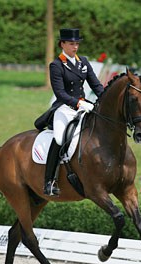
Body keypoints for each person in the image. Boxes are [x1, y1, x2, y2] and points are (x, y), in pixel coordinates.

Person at [44, 28, 104, 196]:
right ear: (62, 44)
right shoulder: (56, 65)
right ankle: (49, 181)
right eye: (71, 44)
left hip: (84, 106)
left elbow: (96, 85)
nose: (75, 47)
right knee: (59, 137)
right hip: (64, 108)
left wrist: (105, 99)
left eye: (77, 44)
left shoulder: (83, 62)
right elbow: (60, 93)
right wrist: (78, 103)